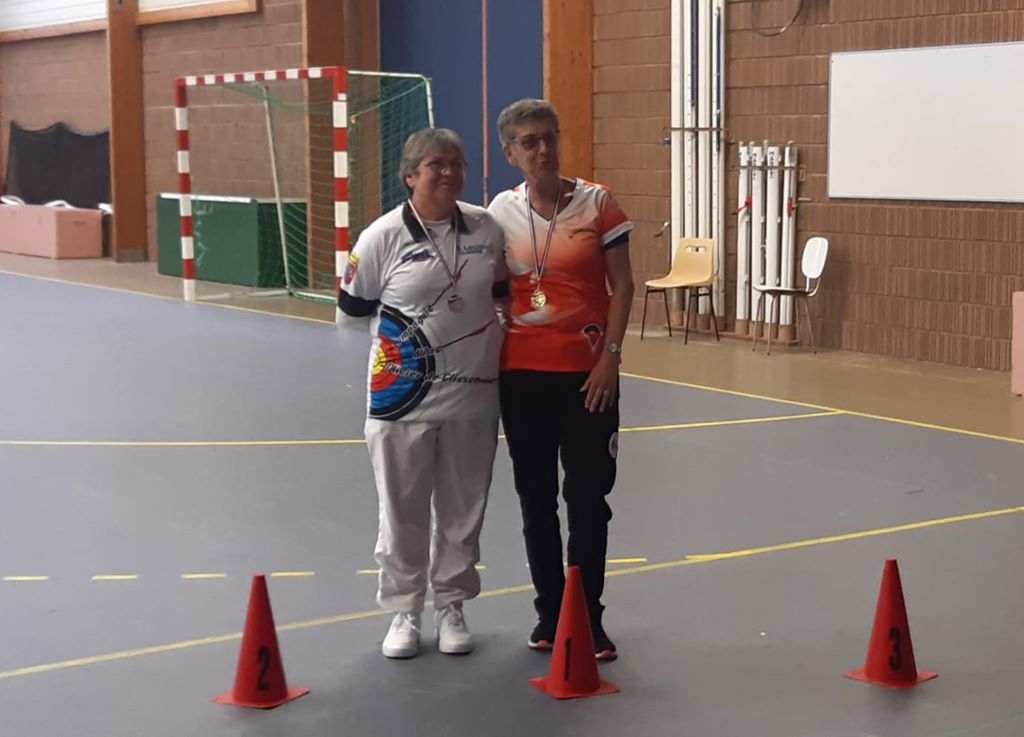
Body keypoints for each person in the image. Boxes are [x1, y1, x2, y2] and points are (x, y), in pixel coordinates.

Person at [338, 128, 507, 659]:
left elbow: (503, 296)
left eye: (457, 163)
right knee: (401, 512)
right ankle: (404, 611)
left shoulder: (486, 228)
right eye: (437, 164)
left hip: (474, 400)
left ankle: (452, 606)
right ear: (410, 175)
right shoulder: (381, 237)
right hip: (401, 403)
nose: (449, 173)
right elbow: (351, 313)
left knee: (463, 511)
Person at [488, 100, 634, 661]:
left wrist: (610, 359)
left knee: (589, 500)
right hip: (522, 379)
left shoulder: (597, 203)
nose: (543, 150)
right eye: (529, 142)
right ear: (510, 153)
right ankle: (550, 613)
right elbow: (491, 288)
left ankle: (588, 617)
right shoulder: (499, 213)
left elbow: (623, 285)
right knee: (536, 502)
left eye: (550, 137)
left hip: (589, 379)